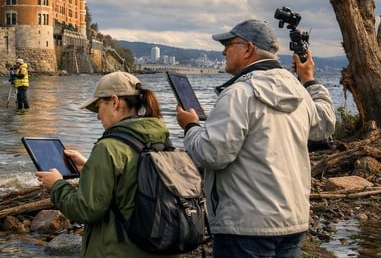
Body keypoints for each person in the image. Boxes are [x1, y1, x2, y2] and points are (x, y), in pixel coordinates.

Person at [176, 19, 336, 258]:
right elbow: (325, 124)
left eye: (228, 45)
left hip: (245, 225)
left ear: (248, 49)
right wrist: (309, 80)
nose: (223, 52)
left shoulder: (238, 93)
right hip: (292, 220)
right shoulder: (299, 92)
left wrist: (190, 127)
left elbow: (212, 154)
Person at [36, 71, 178, 258]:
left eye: (98, 107)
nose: (97, 116)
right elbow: (132, 184)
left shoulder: (108, 147)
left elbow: (85, 209)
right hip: (161, 247)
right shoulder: (161, 139)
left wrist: (57, 185)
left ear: (114, 101)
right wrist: (89, 167)